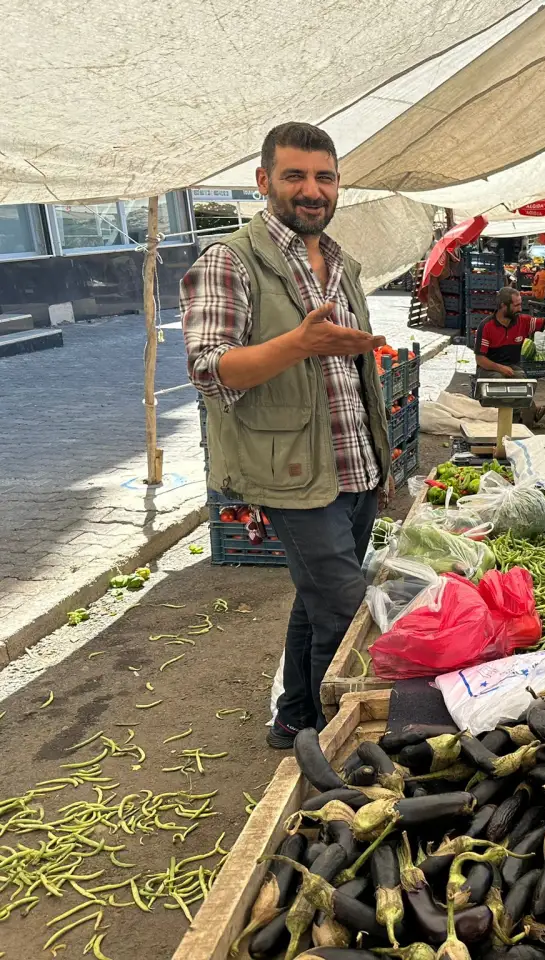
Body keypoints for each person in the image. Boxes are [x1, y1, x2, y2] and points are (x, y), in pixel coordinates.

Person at [181, 122, 391, 746]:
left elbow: (351, 372)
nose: (311, 190)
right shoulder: (229, 262)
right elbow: (208, 370)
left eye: (324, 177)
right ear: (264, 181)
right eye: (295, 176)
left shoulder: (341, 262)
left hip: (353, 465)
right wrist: (297, 344)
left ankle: (295, 716)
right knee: (348, 611)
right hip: (290, 471)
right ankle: (336, 745)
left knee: (316, 595)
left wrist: (382, 462)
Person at [476, 286, 545, 378]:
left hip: (512, 366)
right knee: (498, 379)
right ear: (503, 306)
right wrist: (500, 368)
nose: (520, 309)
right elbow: (480, 359)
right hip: (489, 369)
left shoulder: (523, 321)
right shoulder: (486, 326)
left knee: (523, 381)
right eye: (516, 305)